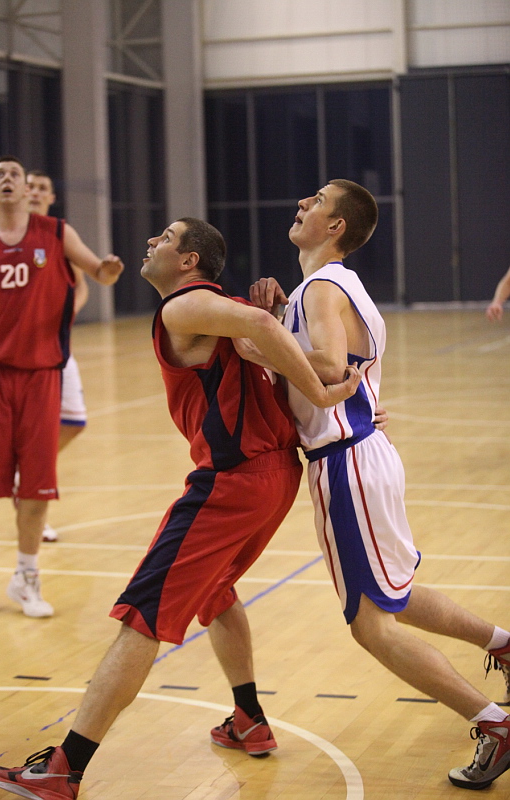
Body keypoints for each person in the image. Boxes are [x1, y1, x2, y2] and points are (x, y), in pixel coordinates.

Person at [0, 216, 363, 799]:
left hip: (232, 481)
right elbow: (264, 328)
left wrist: (321, 390)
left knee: (143, 614)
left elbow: (264, 325)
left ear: (189, 261)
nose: (149, 242)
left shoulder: (184, 307)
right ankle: (248, 718)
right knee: (215, 592)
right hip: (274, 476)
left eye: (164, 238)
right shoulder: (221, 308)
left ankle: (65, 767)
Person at [206, 180, 510, 791]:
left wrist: (254, 342)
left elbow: (328, 365)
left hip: (346, 463)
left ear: (336, 225)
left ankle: (494, 723)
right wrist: (275, 319)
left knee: (371, 626)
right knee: (396, 594)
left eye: (316, 201)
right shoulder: (332, 286)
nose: (301, 204)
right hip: (363, 453)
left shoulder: (323, 286)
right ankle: (504, 646)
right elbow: (341, 365)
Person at [0, 155, 124, 618]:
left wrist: (109, 269)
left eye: (14, 175)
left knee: (36, 486)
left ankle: (26, 577)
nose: (6, 179)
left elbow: (98, 273)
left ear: (28, 189)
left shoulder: (57, 233)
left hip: (41, 375)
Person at [26, 169, 90, 543]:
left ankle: (23, 478)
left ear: (51, 198)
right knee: (35, 437)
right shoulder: (2, 237)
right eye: (30, 186)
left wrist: (68, 312)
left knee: (74, 421)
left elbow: (81, 286)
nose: (35, 192)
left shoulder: (59, 237)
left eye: (42, 188)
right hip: (16, 358)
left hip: (56, 349)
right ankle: (35, 512)